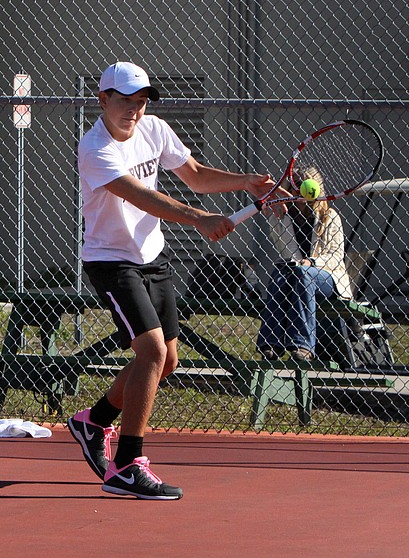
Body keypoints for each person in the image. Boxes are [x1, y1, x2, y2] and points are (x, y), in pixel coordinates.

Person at [67, 61, 289, 500]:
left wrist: (247, 183)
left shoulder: (155, 128)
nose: (134, 109)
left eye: (141, 101)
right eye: (125, 100)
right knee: (149, 350)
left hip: (153, 256)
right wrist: (198, 219)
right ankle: (127, 464)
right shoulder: (95, 148)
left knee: (167, 361)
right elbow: (143, 196)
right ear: (103, 100)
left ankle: (92, 421)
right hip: (111, 261)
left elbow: (196, 175)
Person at [256, 168, 352, 361]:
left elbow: (335, 256)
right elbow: (287, 254)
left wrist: (311, 262)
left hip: (328, 278)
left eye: (302, 184)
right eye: (294, 183)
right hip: (298, 276)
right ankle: (271, 344)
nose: (298, 188)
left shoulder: (329, 216)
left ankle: (303, 345)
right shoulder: (280, 218)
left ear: (315, 187)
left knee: (303, 274)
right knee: (280, 272)